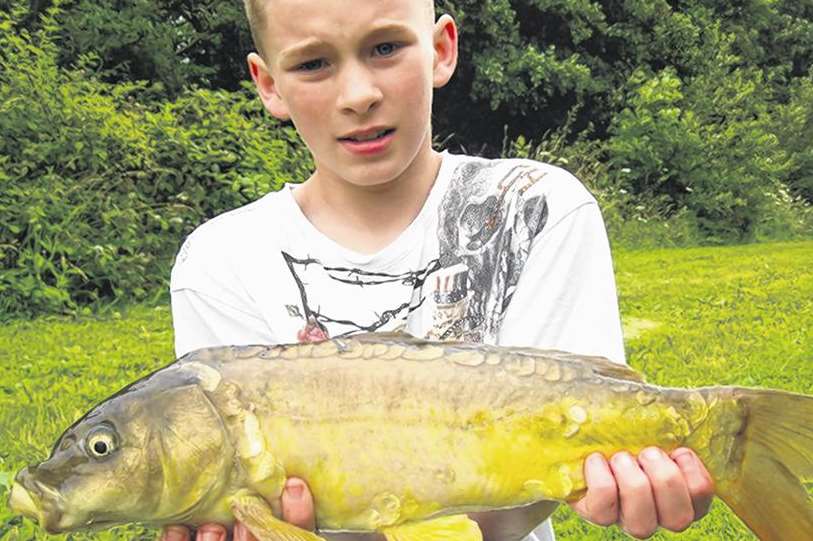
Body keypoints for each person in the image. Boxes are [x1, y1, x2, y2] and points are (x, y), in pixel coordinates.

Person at [162, 1, 715, 540]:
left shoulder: (535, 206)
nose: (359, 96)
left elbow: (574, 440)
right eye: (313, 64)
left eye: (385, 48)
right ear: (269, 84)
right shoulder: (219, 259)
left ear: (441, 49)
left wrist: (617, 475)